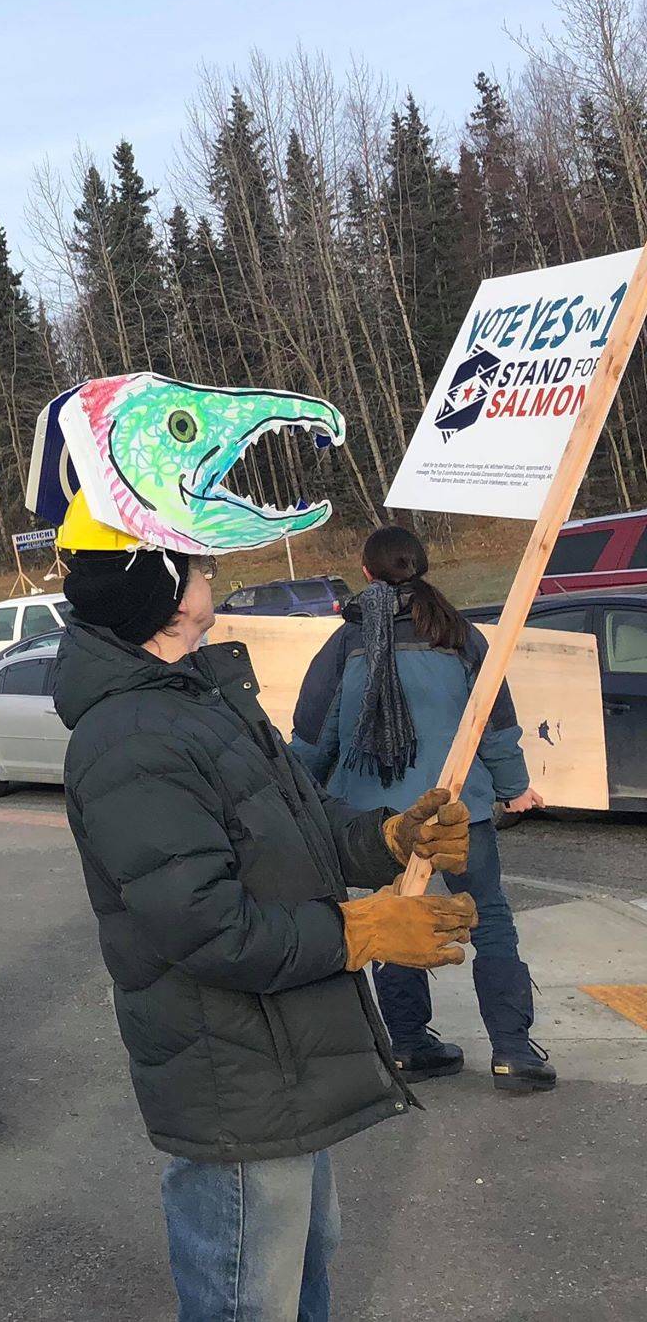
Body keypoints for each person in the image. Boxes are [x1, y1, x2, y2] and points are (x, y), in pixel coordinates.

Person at [51, 491, 477, 1322]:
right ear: (163, 585)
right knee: (250, 1302)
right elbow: (206, 927)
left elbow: (305, 826)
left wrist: (392, 837)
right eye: (198, 560)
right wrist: (363, 930)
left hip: (283, 1068)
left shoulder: (203, 698)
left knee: (301, 1281)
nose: (212, 570)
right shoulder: (131, 736)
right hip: (236, 1081)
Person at [291, 524, 556, 1094]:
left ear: (365, 573)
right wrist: (514, 788)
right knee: (490, 919)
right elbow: (496, 726)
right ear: (424, 566)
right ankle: (513, 1053)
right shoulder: (460, 636)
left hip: (380, 819)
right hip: (460, 811)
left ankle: (410, 1045)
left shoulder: (347, 642)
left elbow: (314, 737)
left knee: (396, 915)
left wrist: (296, 796)